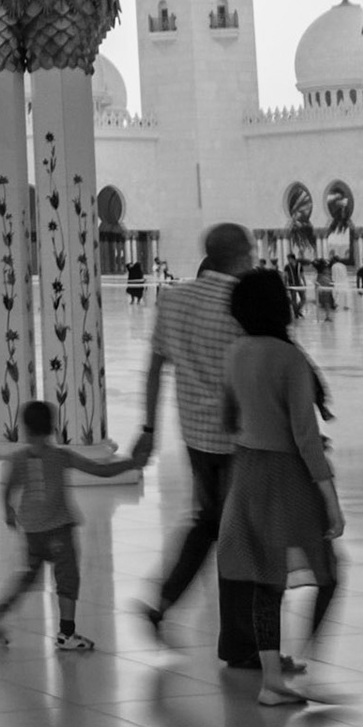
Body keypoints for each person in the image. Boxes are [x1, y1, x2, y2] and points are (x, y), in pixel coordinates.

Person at [136, 223, 260, 665]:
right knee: (236, 536)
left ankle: (165, 603)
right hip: (241, 439)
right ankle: (239, 641)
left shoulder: (173, 299)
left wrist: (148, 431)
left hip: (196, 439)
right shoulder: (243, 302)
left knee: (210, 523)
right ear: (242, 256)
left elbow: (154, 368)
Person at [218, 270, 343, 705]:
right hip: (287, 477)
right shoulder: (289, 359)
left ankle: (272, 679)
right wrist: (331, 501)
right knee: (328, 573)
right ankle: (305, 664)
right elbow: (306, 438)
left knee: (266, 581)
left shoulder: (235, 352)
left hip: (247, 471)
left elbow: (227, 418)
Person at [0, 400, 146, 650]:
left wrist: (9, 513)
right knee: (67, 578)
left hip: (31, 529)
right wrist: (133, 463)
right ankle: (66, 634)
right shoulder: (60, 456)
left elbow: (7, 490)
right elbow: (100, 471)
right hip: (58, 528)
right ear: (52, 427)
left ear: (24, 428)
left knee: (29, 574)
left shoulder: (17, 459)